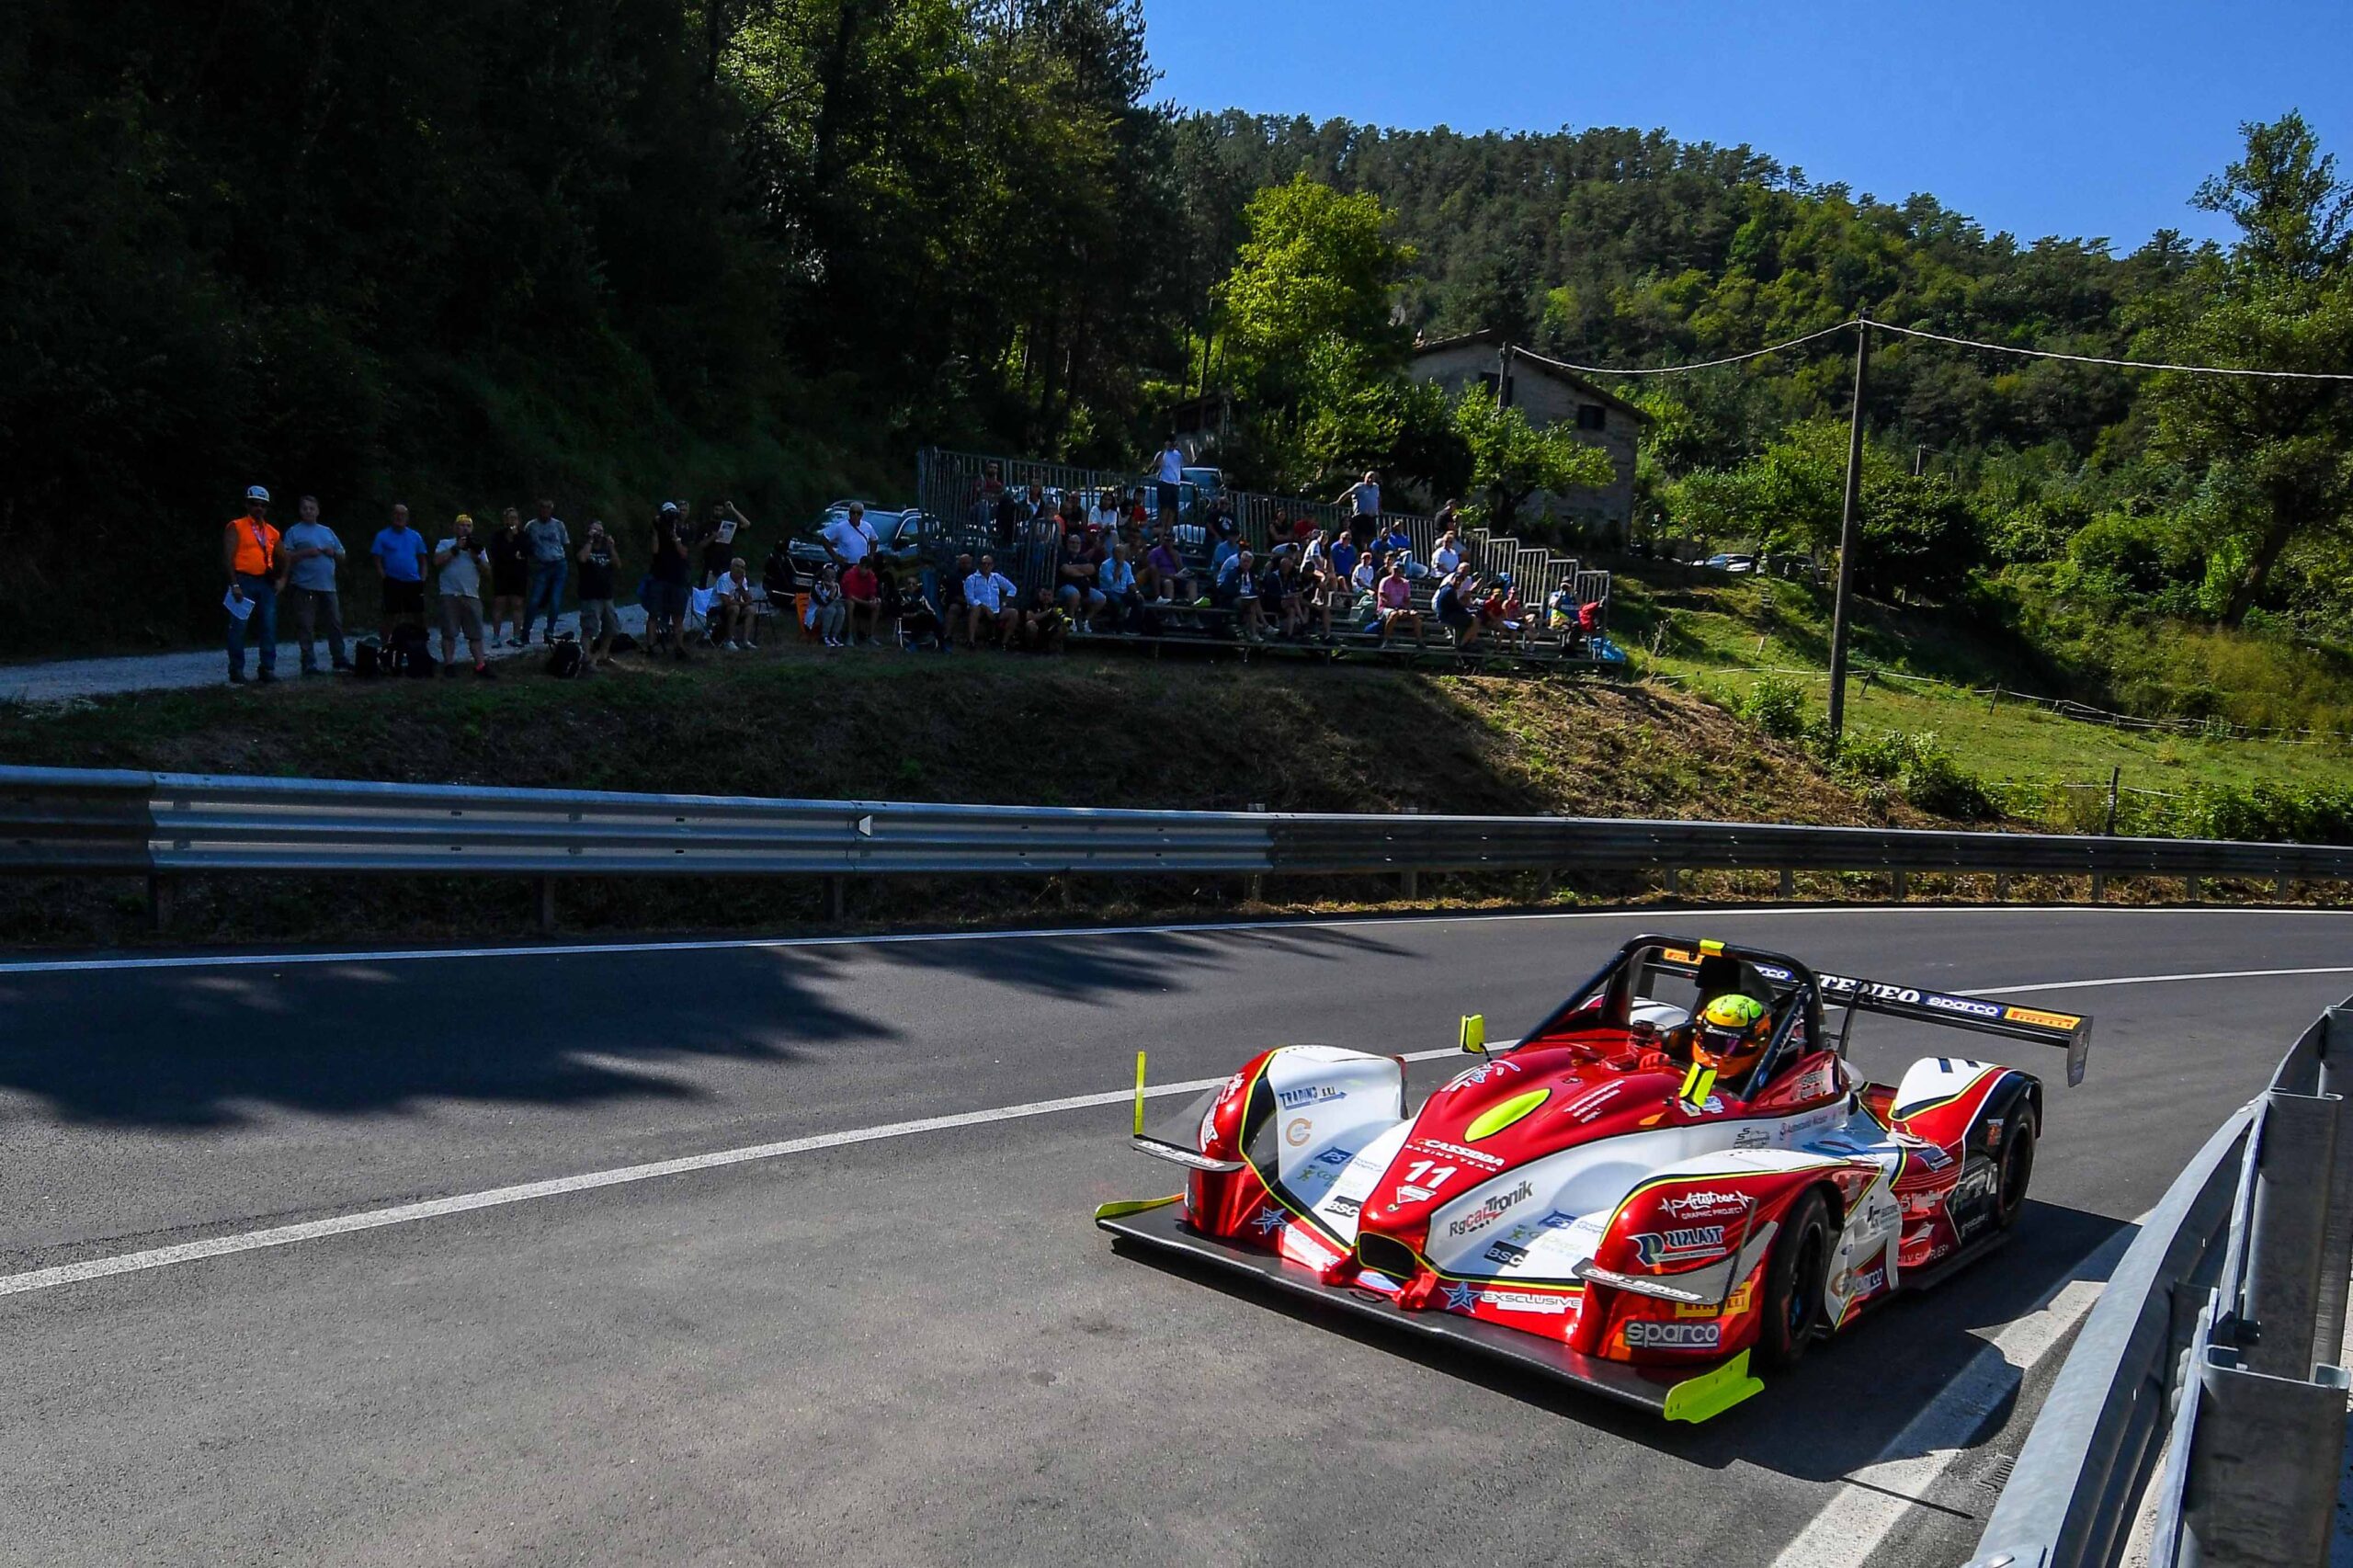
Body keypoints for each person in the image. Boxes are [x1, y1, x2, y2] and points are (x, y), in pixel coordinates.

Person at [278, 494, 349, 676]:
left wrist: (333, 553)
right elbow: (286, 557)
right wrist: (305, 553)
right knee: (306, 625)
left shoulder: (327, 531)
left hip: (328, 586)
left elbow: (342, 556)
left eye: (312, 508)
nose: (308, 511)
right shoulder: (294, 532)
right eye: (305, 508)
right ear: (300, 511)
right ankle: (309, 663)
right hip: (304, 586)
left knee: (335, 623)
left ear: (317, 511)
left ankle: (339, 658)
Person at [223, 484, 281, 685]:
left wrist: (283, 579)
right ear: (247, 505)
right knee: (239, 626)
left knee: (269, 626)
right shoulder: (236, 526)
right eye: (254, 504)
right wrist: (234, 585)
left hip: (265, 583)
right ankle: (236, 670)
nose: (259, 508)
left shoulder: (272, 531)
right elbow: (228, 557)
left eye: (263, 505)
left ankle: (267, 668)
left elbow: (285, 557)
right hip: (243, 581)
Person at [433, 514, 494, 676]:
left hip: (471, 595)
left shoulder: (478, 548)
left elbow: (488, 572)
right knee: (449, 632)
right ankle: (449, 665)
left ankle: (480, 665)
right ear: (454, 528)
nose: (464, 528)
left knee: (476, 634)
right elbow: (437, 562)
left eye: (468, 526)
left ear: (472, 529)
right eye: (461, 525)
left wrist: (476, 559)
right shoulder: (445, 543)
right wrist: (456, 549)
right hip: (449, 593)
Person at [370, 502, 428, 645]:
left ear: (407, 517)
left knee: (419, 615)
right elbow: (377, 560)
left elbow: (423, 560)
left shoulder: (415, 536)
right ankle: (385, 646)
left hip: (413, 581)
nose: (399, 517)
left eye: (403, 514)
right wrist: (383, 577)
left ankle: (421, 646)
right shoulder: (382, 536)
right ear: (392, 516)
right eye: (396, 513)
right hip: (392, 580)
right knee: (391, 615)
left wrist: (422, 579)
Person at [646, 500, 692, 659]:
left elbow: (684, 553)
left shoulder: (682, 530)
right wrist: (655, 531)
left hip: (677, 578)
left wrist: (675, 536)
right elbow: (654, 550)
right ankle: (651, 646)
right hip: (659, 577)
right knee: (654, 614)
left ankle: (679, 647)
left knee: (678, 616)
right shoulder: (657, 529)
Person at [520, 499, 570, 645]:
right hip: (542, 565)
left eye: (548, 508)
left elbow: (564, 544)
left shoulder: (558, 525)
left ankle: (549, 632)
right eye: (543, 508)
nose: (545, 511)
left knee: (555, 601)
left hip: (559, 564)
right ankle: (526, 631)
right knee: (535, 600)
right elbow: (526, 545)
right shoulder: (531, 526)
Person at [575, 521, 621, 669]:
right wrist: (590, 541)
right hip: (590, 595)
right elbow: (582, 558)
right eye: (595, 530)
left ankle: (603, 655)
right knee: (589, 628)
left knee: (611, 627)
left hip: (607, 595)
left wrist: (612, 546)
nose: (598, 533)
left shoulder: (607, 548)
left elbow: (617, 565)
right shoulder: (583, 546)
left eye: (601, 530)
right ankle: (587, 658)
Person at [488, 508, 529, 647]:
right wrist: (514, 555)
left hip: (518, 575)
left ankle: (517, 636)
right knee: (499, 604)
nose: (512, 521)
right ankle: (496, 636)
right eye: (510, 518)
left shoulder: (523, 536)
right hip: (501, 574)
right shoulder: (498, 536)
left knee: (517, 605)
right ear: (505, 520)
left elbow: (526, 552)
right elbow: (496, 553)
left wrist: (516, 540)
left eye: (515, 518)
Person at [963, 552, 1018, 648]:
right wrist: (985, 608)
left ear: (993, 565)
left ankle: (1003, 643)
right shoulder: (971, 579)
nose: (986, 566)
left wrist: (1005, 603)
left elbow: (1012, 588)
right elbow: (970, 598)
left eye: (989, 564)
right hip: (980, 610)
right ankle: (971, 641)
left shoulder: (996, 577)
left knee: (1013, 613)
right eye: (984, 563)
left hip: (996, 610)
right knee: (975, 609)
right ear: (979, 565)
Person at [821, 500, 881, 572]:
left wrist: (871, 556)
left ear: (862, 515)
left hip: (861, 567)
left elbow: (874, 540)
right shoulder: (840, 527)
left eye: (858, 513)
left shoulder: (867, 527)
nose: (855, 515)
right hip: (846, 566)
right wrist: (835, 556)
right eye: (853, 512)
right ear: (849, 513)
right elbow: (824, 539)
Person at [1377, 558, 1423, 647]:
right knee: (1394, 614)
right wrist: (1396, 609)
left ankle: (1419, 641)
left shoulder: (1405, 583)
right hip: (1385, 608)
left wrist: (1406, 609)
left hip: (1401, 608)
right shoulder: (1385, 581)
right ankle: (1385, 641)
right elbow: (1383, 596)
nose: (1396, 572)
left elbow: (1407, 599)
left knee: (1415, 615)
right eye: (1395, 570)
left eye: (1398, 571)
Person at [1434, 566, 1481, 648]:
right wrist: (1469, 613)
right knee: (1475, 621)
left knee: (1472, 619)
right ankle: (1463, 645)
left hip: (1449, 614)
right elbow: (1457, 607)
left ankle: (1465, 642)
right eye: (1457, 580)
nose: (1458, 582)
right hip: (1446, 616)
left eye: (1460, 581)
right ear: (1452, 579)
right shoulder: (1449, 591)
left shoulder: (1449, 589)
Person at [839, 554, 881, 645]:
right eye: (864, 568)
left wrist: (873, 600)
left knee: (877, 605)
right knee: (851, 604)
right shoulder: (849, 574)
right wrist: (866, 603)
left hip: (863, 600)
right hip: (849, 600)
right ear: (860, 566)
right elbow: (849, 596)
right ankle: (849, 635)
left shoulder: (871, 575)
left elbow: (872, 592)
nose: (865, 571)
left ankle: (870, 635)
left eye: (868, 569)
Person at [1336, 469, 1381, 551]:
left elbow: (1377, 498)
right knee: (1361, 535)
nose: (1370, 479)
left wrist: (1379, 508)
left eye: (1372, 478)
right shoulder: (1360, 486)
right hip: (1361, 515)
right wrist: (1338, 502)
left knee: (1371, 535)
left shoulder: (1375, 487)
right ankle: (1360, 550)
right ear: (1365, 477)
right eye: (1368, 477)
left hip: (1372, 516)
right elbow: (1348, 493)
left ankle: (1368, 550)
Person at [1017, 584, 1067, 653]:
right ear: (1039, 594)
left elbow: (1062, 617)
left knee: (1064, 627)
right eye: (1044, 595)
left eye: (1049, 595)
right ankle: (1030, 647)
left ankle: (1052, 646)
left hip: (1049, 629)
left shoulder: (1056, 605)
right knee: (1030, 625)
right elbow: (1031, 617)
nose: (1046, 597)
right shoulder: (1032, 603)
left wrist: (1058, 616)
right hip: (1036, 629)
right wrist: (1048, 612)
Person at [1153, 436, 1186, 539]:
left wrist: (1180, 448)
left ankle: (1168, 532)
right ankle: (1162, 533)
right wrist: (1164, 450)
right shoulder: (1162, 454)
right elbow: (1157, 464)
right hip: (1165, 483)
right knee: (1164, 509)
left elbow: (1187, 461)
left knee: (1172, 510)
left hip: (1175, 485)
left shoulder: (1178, 454)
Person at [808, 562, 846, 646]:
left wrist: (834, 591)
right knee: (830, 610)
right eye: (828, 576)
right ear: (823, 576)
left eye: (832, 576)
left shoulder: (837, 586)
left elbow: (837, 600)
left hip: (827, 609)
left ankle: (834, 636)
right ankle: (824, 637)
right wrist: (832, 591)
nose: (830, 578)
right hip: (815, 611)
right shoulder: (817, 586)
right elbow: (823, 602)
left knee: (841, 610)